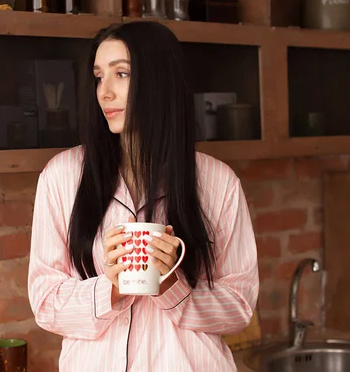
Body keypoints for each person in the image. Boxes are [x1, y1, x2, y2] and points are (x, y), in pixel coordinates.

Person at [27, 21, 259, 372]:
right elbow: (44, 302)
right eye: (99, 76)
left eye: (121, 74)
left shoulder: (218, 183)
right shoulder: (62, 177)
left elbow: (239, 306)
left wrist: (170, 286)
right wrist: (110, 289)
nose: (104, 92)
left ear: (158, 81)